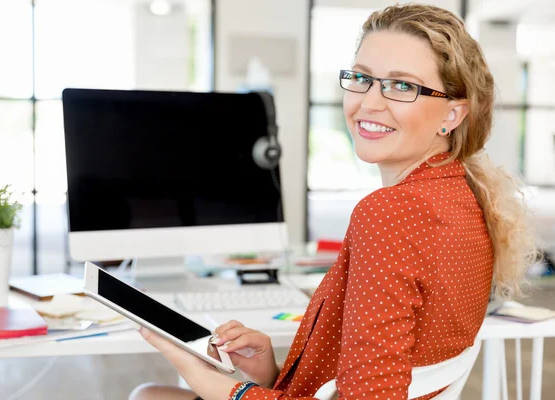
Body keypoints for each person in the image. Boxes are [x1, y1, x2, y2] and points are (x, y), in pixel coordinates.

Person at [129, 4, 538, 400]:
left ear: (453, 114)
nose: (369, 103)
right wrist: (272, 374)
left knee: (146, 395)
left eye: (402, 85)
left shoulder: (390, 213)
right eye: (362, 78)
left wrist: (224, 389)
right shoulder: (466, 200)